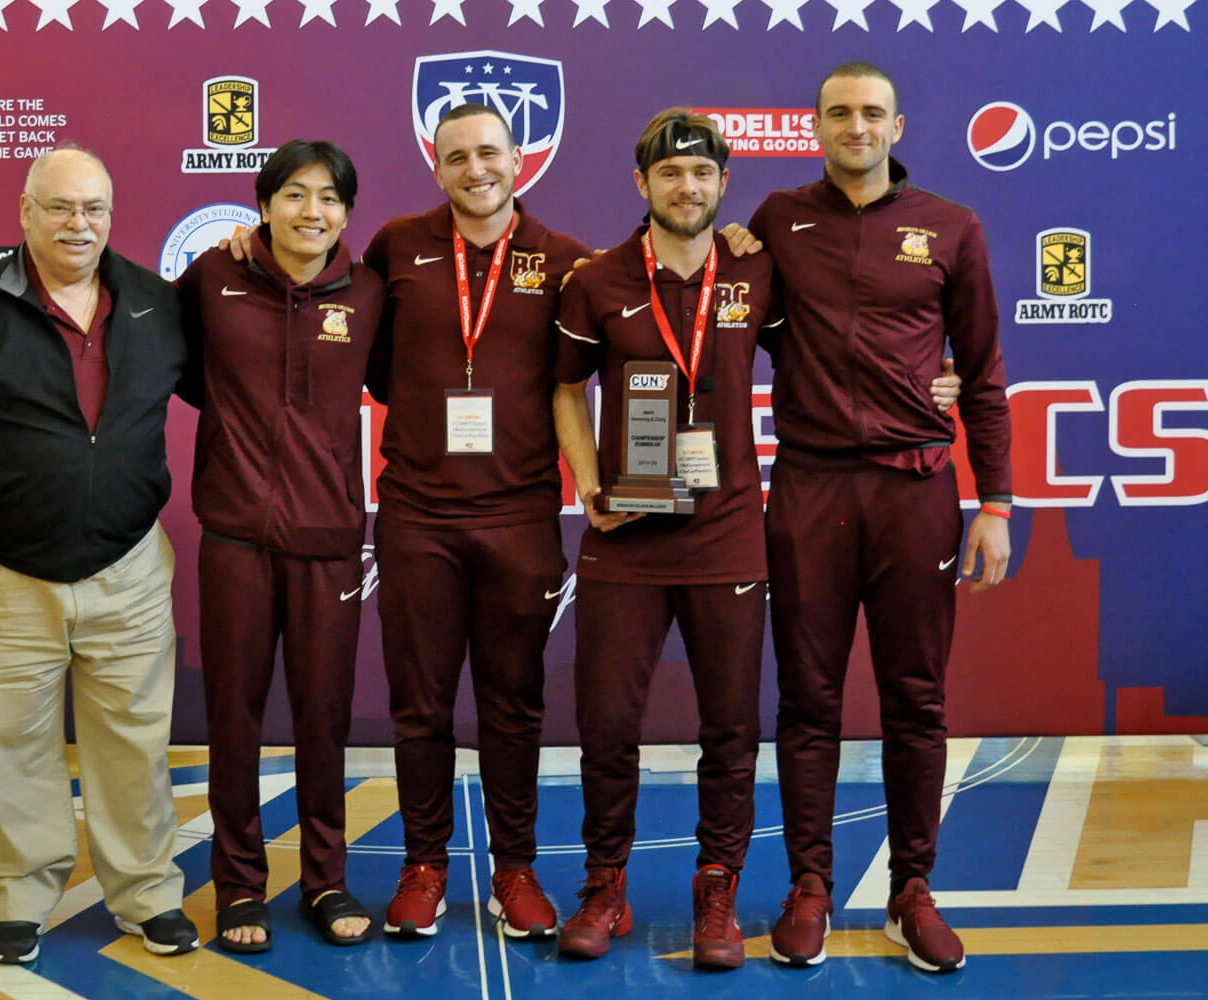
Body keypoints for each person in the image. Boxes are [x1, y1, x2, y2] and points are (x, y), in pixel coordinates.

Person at [0, 146, 198, 964]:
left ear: (112, 216)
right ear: (25, 213)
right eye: (58, 207)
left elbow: (242, 369)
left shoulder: (157, 304)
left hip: (128, 568)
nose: (77, 224)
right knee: (10, 743)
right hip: (1, 571)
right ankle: (23, 896)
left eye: (93, 208)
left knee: (133, 743)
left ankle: (147, 894)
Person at [743, 62, 1012, 974]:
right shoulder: (778, 220)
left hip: (916, 492)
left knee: (916, 700)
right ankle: (808, 889)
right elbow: (725, 313)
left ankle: (911, 892)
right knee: (808, 701)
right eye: (837, 113)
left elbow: (980, 377)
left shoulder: (952, 226)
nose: (854, 126)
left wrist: (997, 504)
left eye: (870, 113)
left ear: (898, 125)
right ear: (815, 126)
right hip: (812, 489)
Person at [549, 109, 780, 968]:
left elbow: (828, 361)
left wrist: (930, 378)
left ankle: (716, 888)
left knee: (731, 729)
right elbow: (565, 390)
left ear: (724, 185)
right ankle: (605, 885)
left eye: (705, 174)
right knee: (607, 726)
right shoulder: (597, 280)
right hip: (628, 540)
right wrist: (589, 487)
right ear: (641, 185)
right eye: (671, 174)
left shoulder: (759, 275)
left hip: (727, 539)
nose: (689, 187)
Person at [362, 104, 592, 939]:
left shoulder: (564, 259)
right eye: (456, 156)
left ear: (518, 159)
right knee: (419, 706)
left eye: (489, 152)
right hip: (418, 515)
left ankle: (515, 868)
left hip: (521, 515)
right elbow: (355, 344)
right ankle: (424, 864)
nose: (475, 169)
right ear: (436, 165)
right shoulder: (396, 245)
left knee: (513, 704)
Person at [176, 140, 384, 953]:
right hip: (234, 537)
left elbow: (400, 377)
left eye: (330, 198)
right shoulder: (212, 279)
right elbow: (185, 374)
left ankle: (326, 881)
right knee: (234, 719)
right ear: (264, 205)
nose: (312, 212)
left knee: (324, 720)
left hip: (330, 539)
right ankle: (239, 889)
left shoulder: (369, 294)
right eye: (294, 195)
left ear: (346, 213)